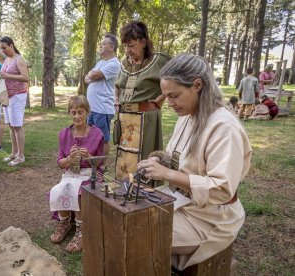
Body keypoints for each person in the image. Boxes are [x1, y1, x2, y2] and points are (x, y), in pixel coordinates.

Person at [137, 54, 252, 271]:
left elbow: (221, 189)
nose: (169, 103)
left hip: (210, 218)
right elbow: (175, 156)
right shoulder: (187, 117)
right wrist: (158, 159)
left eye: (174, 96)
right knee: (132, 218)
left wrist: (167, 174)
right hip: (182, 202)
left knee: (138, 233)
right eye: (165, 96)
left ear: (197, 85)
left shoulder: (224, 127)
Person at [114, 21, 170, 181]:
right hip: (125, 120)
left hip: (146, 119)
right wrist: (116, 99)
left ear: (144, 42)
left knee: (144, 160)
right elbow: (117, 85)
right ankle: (123, 188)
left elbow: (177, 78)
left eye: (131, 46)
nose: (127, 50)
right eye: (125, 46)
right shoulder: (124, 64)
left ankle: (145, 196)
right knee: (125, 157)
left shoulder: (159, 61)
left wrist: (161, 97)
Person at [49, 96, 104, 253]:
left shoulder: (97, 133)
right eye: (73, 112)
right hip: (70, 174)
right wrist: (69, 158)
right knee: (59, 190)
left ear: (87, 112)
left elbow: (99, 164)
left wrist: (88, 157)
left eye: (81, 112)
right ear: (69, 113)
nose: (77, 116)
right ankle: (64, 224)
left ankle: (81, 231)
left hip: (91, 173)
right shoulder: (64, 134)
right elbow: (60, 163)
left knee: (79, 192)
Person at [85, 34, 120, 159]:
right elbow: (87, 77)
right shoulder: (101, 62)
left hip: (102, 108)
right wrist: (91, 74)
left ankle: (102, 165)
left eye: (104, 43)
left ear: (111, 47)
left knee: (103, 138)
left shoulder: (115, 64)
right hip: (91, 108)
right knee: (90, 136)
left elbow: (92, 76)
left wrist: (92, 74)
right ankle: (93, 161)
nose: (101, 45)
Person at [0, 36, 29, 166]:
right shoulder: (6, 60)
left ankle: (21, 156)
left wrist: (7, 76)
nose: (3, 51)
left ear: (11, 45)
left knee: (17, 126)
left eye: (4, 48)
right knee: (11, 125)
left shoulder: (19, 59)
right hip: (7, 96)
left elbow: (25, 78)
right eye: (1, 49)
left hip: (18, 96)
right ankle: (14, 153)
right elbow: (2, 75)